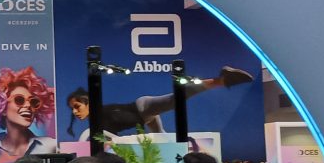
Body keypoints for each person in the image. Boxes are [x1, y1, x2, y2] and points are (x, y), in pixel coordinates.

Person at [64, 66, 253, 140]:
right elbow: (113, 136)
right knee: (163, 138)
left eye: (77, 106)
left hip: (143, 108)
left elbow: (110, 135)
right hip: (144, 117)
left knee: (175, 99)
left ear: (87, 102)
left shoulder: (97, 116)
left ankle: (221, 79)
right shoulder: (95, 122)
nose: (75, 112)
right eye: (72, 109)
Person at [0, 66, 58, 163]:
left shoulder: (51, 146)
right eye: (19, 100)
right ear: (3, 107)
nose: (28, 105)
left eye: (34, 102)